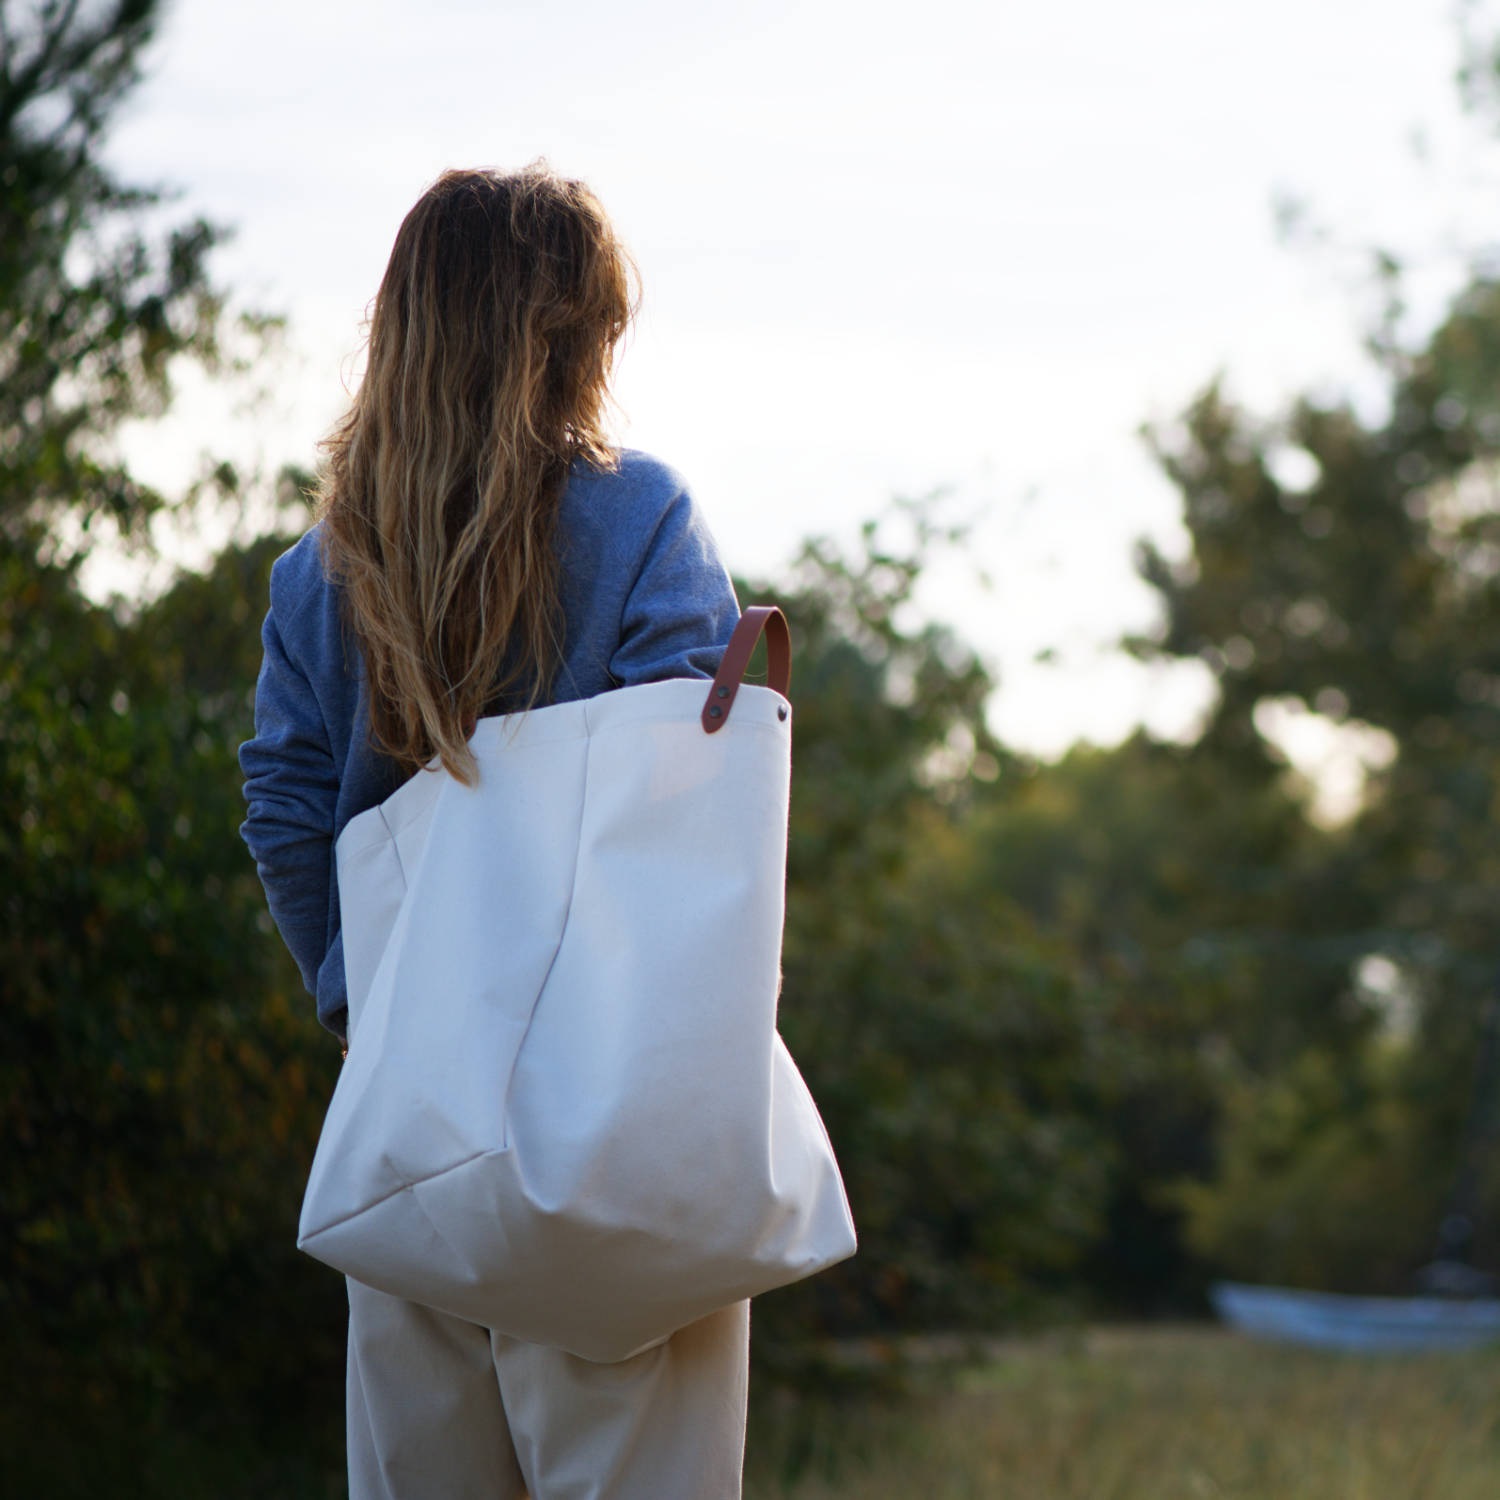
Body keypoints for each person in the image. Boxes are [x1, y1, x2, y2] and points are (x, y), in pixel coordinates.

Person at [239, 165, 748, 1499]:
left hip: (407, 1124)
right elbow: (687, 797)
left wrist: (365, 1002)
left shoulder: (318, 569)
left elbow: (286, 810)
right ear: (566, 340)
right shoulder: (639, 515)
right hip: (613, 1119)